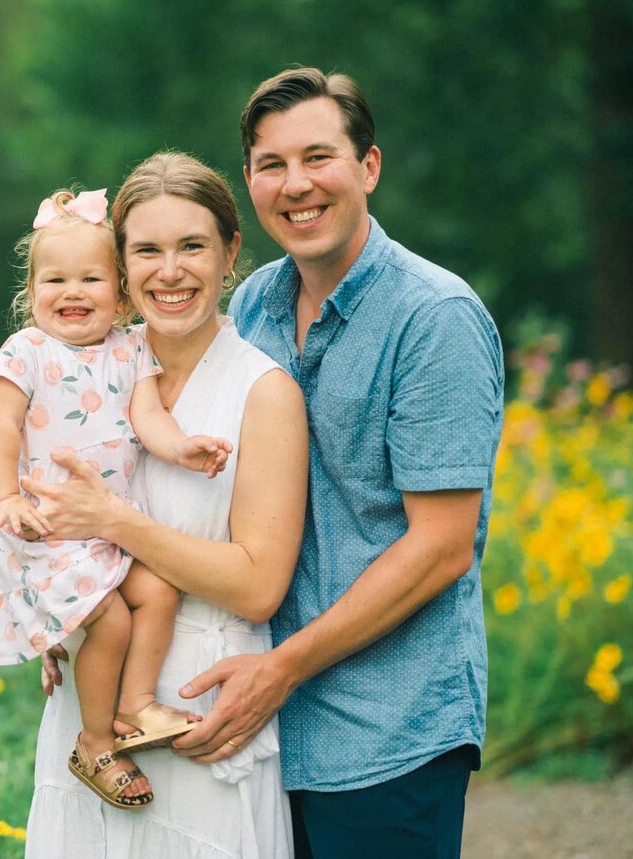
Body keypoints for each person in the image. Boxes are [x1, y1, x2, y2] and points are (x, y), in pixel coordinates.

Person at [175, 67, 504, 857]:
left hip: (390, 728)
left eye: (318, 157)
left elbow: (440, 547)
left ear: (369, 167)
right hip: (260, 732)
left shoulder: (434, 319)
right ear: (249, 181)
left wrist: (282, 669)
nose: (297, 186)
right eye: (271, 165)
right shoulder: (249, 304)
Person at [21, 153, 308, 857]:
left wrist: (117, 524)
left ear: (230, 252)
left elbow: (260, 585)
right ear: (119, 263)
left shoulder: (262, 392)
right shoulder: (86, 367)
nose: (169, 271)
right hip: (88, 710)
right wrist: (58, 610)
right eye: (146, 249)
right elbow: (37, 511)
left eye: (193, 247)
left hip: (200, 710)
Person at [0, 186, 234, 810]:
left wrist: (181, 449)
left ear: (121, 294)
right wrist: (5, 498)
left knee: (159, 591)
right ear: (31, 291)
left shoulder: (130, 349)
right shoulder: (26, 353)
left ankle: (135, 703)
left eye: (91, 279)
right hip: (47, 531)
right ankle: (95, 743)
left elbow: (149, 419)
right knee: (113, 619)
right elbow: (2, 429)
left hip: (108, 533)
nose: (72, 292)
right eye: (54, 280)